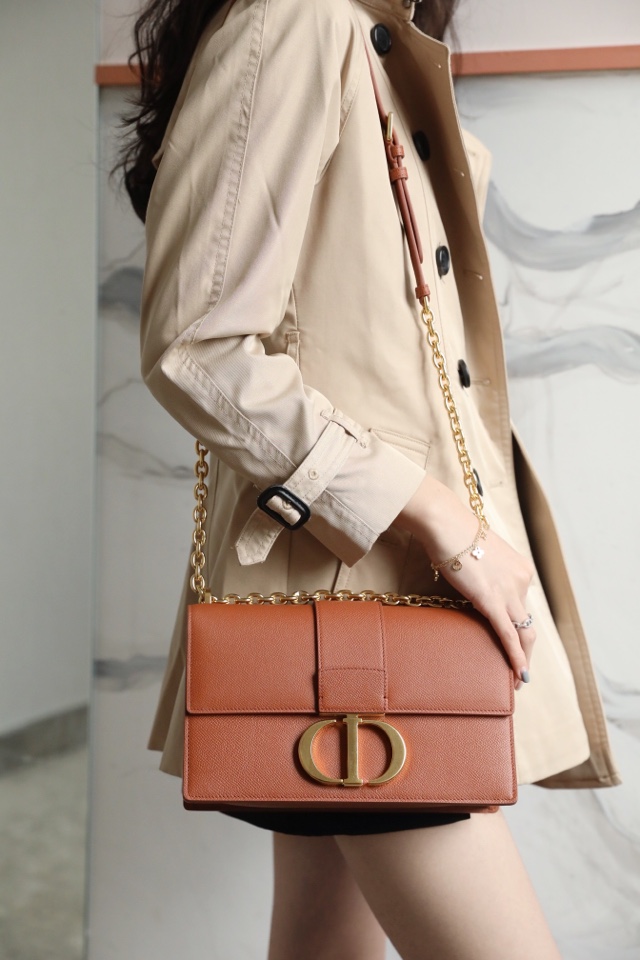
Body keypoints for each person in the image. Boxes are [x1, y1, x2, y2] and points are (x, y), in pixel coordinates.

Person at [119, 1, 620, 957]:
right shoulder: (300, 18)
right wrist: (441, 521)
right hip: (362, 617)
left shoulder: (367, 33)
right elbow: (197, 346)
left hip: (366, 608)